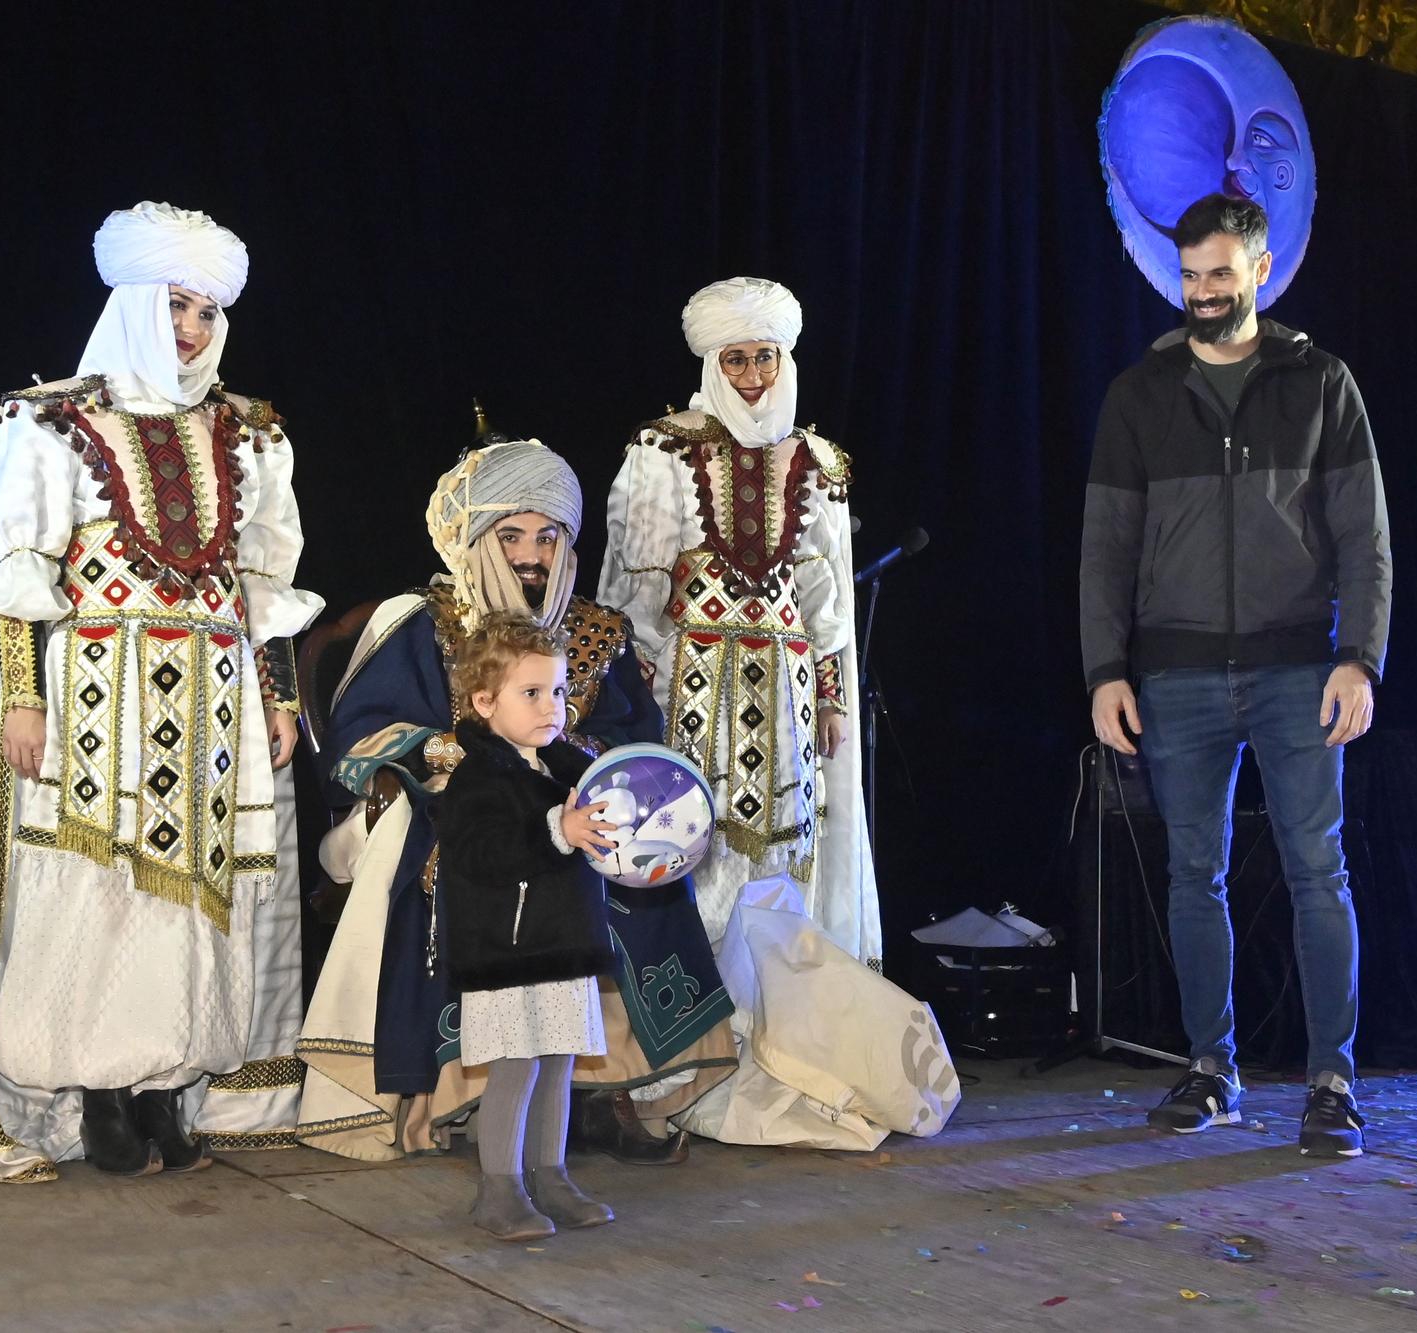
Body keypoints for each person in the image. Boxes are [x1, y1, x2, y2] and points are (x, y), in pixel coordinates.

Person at [0, 202, 324, 1183]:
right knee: (95, 894)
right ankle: (100, 1098)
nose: (193, 331)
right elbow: (20, 567)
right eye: (175, 308)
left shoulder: (249, 432)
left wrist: (280, 698)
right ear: (130, 306)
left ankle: (165, 1090)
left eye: (208, 313)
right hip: (92, 703)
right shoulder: (47, 419)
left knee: (195, 904)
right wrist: (24, 700)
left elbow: (261, 584)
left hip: (208, 702)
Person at [295, 435, 737, 1164]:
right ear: (474, 539)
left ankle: (614, 1089)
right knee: (462, 863)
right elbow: (365, 738)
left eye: (547, 534)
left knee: (633, 860)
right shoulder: (421, 622)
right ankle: (455, 1094)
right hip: (458, 810)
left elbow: (633, 738)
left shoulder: (600, 632)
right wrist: (461, 760)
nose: (531, 553)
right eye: (511, 535)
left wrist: (591, 780)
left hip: (574, 812)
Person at [599, 278, 961, 1149]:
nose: (756, 374)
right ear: (713, 364)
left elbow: (825, 597)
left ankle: (775, 1053)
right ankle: (683, 1063)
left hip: (789, 693)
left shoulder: (820, 463)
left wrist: (834, 696)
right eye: (738, 359)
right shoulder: (661, 450)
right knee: (696, 858)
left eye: (766, 357)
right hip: (692, 687)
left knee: (782, 867)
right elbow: (632, 586)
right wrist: (638, 695)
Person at [1080, 193, 1392, 1158]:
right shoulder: (1140, 394)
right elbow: (1105, 549)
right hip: (1173, 677)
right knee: (1192, 875)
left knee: (1317, 871)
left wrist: (1360, 658)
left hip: (1301, 668)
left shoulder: (1323, 383)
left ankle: (1330, 1080)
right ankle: (1212, 1068)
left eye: (1221, 273)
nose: (1204, 292)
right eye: (1190, 277)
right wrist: (1105, 669)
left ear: (1261, 269)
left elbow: (1365, 539)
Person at [435, 612, 623, 1240]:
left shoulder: (565, 770)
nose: (553, 708)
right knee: (516, 1067)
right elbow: (482, 855)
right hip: (506, 953)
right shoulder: (477, 777)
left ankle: (551, 1176)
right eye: (532, 693)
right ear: (485, 702)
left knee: (559, 1062)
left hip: (562, 945)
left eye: (560, 691)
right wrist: (556, 832)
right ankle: (500, 1189)